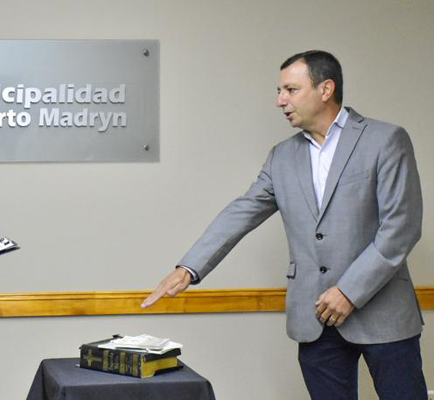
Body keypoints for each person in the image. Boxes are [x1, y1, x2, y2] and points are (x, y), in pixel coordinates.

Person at [141, 51, 427, 400]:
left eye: (290, 90)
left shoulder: (385, 140)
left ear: (325, 89)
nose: (280, 101)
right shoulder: (281, 156)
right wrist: (189, 267)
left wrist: (349, 291)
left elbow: (402, 227)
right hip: (315, 322)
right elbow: (243, 211)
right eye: (280, 91)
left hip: (385, 315)